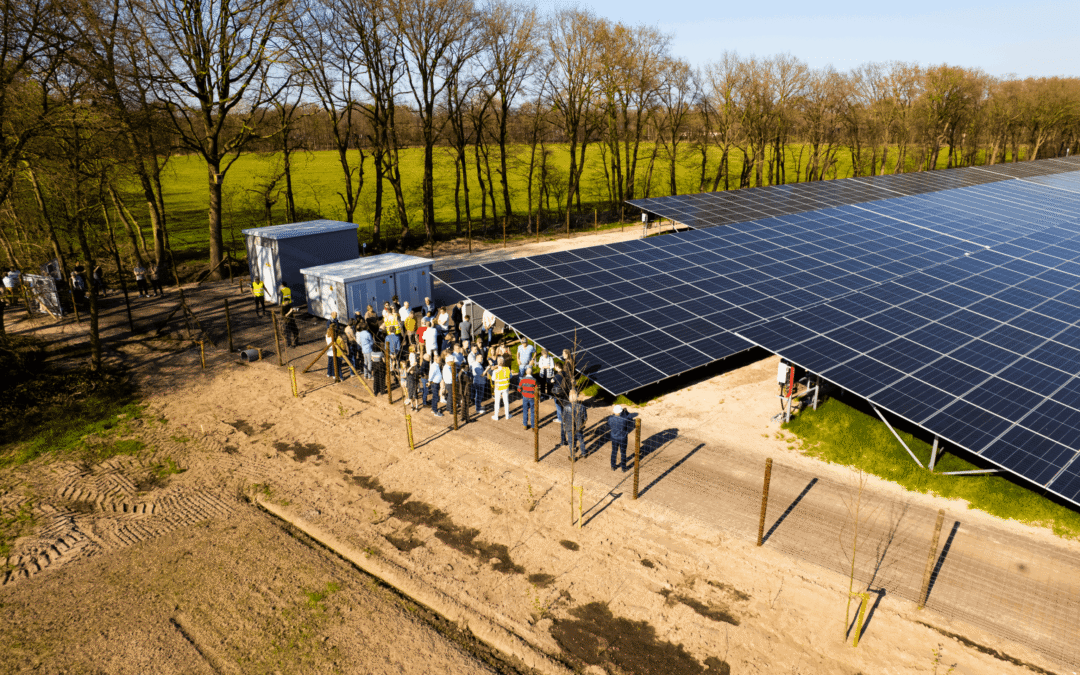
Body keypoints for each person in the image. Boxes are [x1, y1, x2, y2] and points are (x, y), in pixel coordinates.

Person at [562, 390, 587, 460]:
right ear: (576, 397)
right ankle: (584, 453)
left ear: (569, 397)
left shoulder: (566, 407)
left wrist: (565, 425)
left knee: (571, 442)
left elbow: (563, 417)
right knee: (581, 439)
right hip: (579, 427)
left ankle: (572, 456)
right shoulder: (582, 406)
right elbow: (585, 417)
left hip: (569, 427)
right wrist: (583, 424)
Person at [607, 405, 633, 471]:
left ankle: (613, 466)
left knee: (614, 451)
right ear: (621, 411)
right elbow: (630, 419)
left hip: (614, 437)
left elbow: (609, 424)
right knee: (623, 452)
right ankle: (623, 468)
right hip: (623, 438)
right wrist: (626, 412)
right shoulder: (624, 419)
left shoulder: (610, 418)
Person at [517, 366, 538, 430]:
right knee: (532, 411)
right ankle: (533, 426)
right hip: (532, 397)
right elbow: (536, 389)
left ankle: (525, 425)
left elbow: (519, 388)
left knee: (525, 411)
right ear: (532, 373)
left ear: (526, 372)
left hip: (525, 397)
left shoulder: (522, 379)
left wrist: (522, 392)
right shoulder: (534, 380)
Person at [491, 357, 511, 421]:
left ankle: (496, 416)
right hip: (505, 387)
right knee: (506, 401)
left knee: (497, 402)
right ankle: (507, 415)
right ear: (504, 362)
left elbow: (493, 379)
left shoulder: (495, 370)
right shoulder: (507, 369)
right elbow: (511, 376)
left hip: (498, 388)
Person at [469, 347, 487, 415]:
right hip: (478, 383)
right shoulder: (475, 365)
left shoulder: (478, 364)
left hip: (481, 382)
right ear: (477, 358)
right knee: (478, 395)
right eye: (481, 358)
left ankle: (479, 406)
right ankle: (478, 409)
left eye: (482, 357)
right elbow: (482, 374)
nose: (482, 358)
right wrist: (487, 369)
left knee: (480, 395)